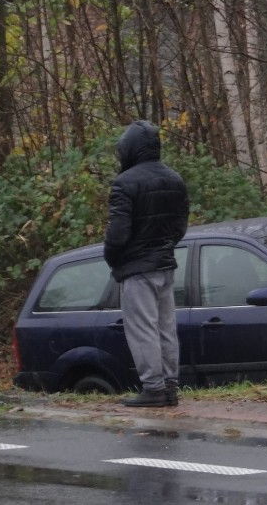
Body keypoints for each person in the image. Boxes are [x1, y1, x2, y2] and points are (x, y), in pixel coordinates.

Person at [103, 121, 189, 407]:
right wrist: (163, 247)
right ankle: (170, 386)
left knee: (142, 329)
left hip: (137, 268)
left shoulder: (125, 183)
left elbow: (117, 234)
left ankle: (153, 387)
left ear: (130, 149)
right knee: (166, 328)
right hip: (164, 264)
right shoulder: (175, 179)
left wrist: (114, 259)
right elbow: (180, 227)